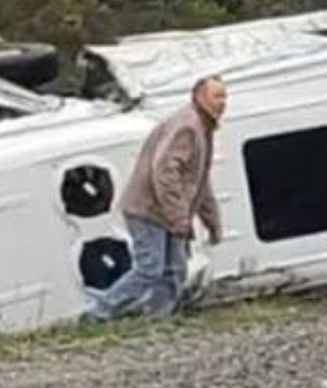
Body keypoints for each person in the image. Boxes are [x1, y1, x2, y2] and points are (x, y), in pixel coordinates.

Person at [86, 76, 227, 322]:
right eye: (217, 96)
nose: (223, 102)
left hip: (165, 211)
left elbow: (200, 182)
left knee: (174, 270)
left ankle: (156, 317)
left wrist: (212, 222)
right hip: (149, 208)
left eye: (225, 96)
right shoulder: (188, 127)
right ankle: (98, 313)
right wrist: (179, 218)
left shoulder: (203, 128)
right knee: (150, 268)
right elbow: (165, 172)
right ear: (198, 97)